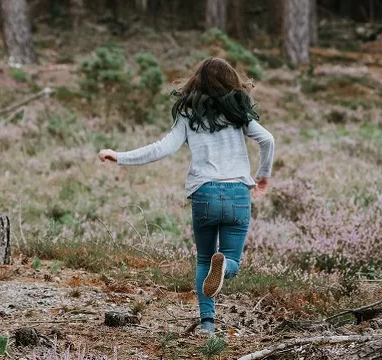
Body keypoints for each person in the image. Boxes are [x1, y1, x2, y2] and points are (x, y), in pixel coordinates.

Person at [97, 57, 275, 336]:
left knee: (204, 259)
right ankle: (225, 265)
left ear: (197, 82)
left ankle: (207, 325)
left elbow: (162, 148)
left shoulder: (189, 114)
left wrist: (119, 156)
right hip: (238, 192)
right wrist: (262, 175)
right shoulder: (239, 113)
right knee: (233, 262)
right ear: (231, 81)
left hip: (205, 193)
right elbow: (268, 140)